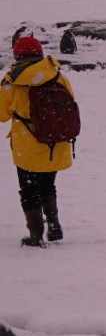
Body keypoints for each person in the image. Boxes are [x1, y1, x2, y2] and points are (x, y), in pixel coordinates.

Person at [4, 34, 78, 247]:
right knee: (48, 184)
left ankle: (36, 234)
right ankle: (54, 225)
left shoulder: (14, 80)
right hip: (54, 140)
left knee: (28, 189)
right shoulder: (57, 76)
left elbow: (1, 113)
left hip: (28, 144)